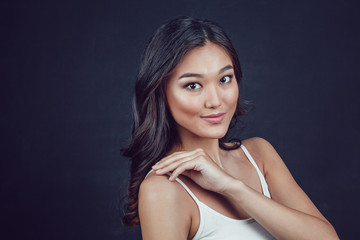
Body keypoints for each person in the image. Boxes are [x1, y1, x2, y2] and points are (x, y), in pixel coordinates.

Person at [122, 16, 339, 240]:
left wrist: (231, 187)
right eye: (193, 85)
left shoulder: (259, 155)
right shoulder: (163, 190)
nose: (215, 100)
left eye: (224, 79)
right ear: (161, 93)